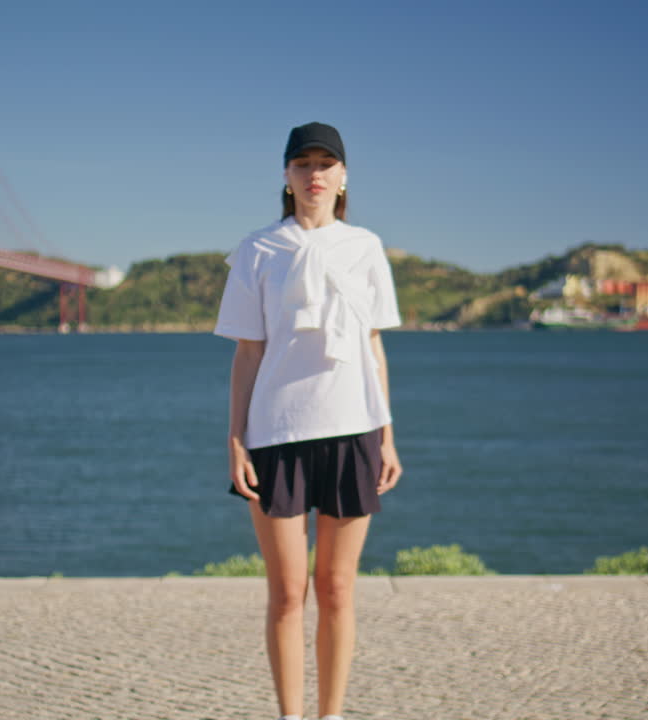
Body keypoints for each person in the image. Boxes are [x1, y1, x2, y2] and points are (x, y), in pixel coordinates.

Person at [213, 122, 404, 720]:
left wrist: (388, 435)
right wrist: (236, 439)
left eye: (326, 163)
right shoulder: (258, 250)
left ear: (343, 177)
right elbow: (248, 352)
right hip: (276, 434)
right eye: (303, 163)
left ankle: (332, 716)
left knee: (338, 589)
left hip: (354, 431)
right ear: (286, 176)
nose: (314, 173)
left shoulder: (366, 247)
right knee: (287, 593)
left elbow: (373, 346)